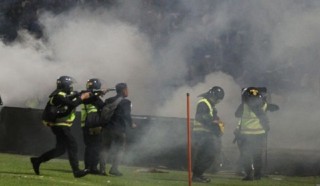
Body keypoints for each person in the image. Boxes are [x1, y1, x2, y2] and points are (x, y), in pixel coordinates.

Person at [30, 76, 91, 178]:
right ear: (65, 85)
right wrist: (82, 97)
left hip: (61, 125)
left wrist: (84, 94)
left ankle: (37, 160)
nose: (71, 87)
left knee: (60, 150)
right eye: (70, 85)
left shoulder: (61, 95)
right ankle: (76, 171)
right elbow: (72, 103)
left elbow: (70, 99)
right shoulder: (58, 96)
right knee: (73, 145)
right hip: (60, 125)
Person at [235, 87, 279, 181]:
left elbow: (237, 114)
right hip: (258, 134)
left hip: (246, 134)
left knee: (246, 156)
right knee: (257, 156)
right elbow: (274, 108)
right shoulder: (263, 104)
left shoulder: (244, 105)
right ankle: (257, 175)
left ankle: (249, 175)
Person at [100, 83, 136, 176]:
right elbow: (127, 115)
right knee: (120, 149)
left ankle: (102, 170)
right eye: (127, 89)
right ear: (124, 90)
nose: (128, 91)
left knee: (105, 148)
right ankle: (114, 169)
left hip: (107, 128)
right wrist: (131, 124)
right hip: (119, 129)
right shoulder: (126, 102)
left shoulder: (108, 100)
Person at [192, 86, 225, 183]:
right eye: (218, 99)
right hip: (202, 133)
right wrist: (214, 125)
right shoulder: (203, 103)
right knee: (209, 155)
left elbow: (212, 118)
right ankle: (197, 175)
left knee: (204, 155)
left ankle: (197, 175)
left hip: (205, 133)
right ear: (213, 96)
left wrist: (218, 124)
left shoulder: (209, 104)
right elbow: (202, 117)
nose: (218, 101)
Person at [81, 78, 105, 174]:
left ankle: (88, 167)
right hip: (93, 124)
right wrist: (99, 94)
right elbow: (102, 106)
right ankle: (93, 167)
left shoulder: (86, 94)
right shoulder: (91, 96)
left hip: (85, 124)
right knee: (96, 146)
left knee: (89, 147)